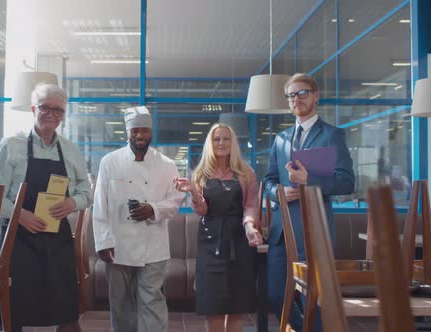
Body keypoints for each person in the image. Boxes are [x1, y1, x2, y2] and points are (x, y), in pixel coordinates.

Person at [0, 83, 92, 332]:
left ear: (64, 114)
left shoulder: (70, 150)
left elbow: (86, 191)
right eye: (45, 108)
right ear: (33, 109)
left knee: (66, 308)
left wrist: (73, 202)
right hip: (17, 241)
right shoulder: (11, 145)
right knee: (13, 307)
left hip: (57, 239)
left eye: (58, 110)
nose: (51, 114)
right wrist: (20, 215)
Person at [263, 73, 355, 331]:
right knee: (275, 296)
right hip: (282, 233)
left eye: (302, 93)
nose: (296, 99)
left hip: (315, 232)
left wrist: (309, 179)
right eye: (291, 95)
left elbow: (347, 182)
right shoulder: (280, 139)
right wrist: (278, 192)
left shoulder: (333, 135)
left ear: (316, 96)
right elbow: (269, 180)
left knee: (313, 298)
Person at [93, 106, 184, 332]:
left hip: (154, 245)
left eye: (144, 130)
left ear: (151, 132)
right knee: (120, 304)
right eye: (135, 131)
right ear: (127, 132)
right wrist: (103, 242)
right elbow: (100, 205)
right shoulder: (109, 162)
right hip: (118, 245)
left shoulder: (167, 164)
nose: (140, 136)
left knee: (152, 301)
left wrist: (152, 209)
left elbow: (176, 200)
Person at [174, 123, 263, 332]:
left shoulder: (245, 172)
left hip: (240, 243)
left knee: (236, 307)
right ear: (210, 144)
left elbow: (251, 205)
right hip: (210, 243)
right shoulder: (200, 174)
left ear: (233, 143)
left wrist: (250, 226)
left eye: (226, 138)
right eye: (216, 139)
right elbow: (202, 210)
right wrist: (194, 192)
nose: (221, 143)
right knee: (213, 307)